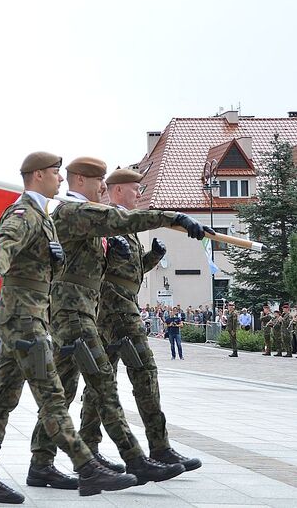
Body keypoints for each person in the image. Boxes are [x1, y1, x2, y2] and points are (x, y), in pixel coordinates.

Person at [0, 152, 137, 503]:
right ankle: (87, 467)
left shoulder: (42, 217)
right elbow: (5, 246)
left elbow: (42, 274)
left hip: (24, 318)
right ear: (38, 176)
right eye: (55, 174)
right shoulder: (23, 213)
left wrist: (55, 263)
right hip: (23, 320)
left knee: (0, 400)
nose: (60, 179)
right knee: (52, 398)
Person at [29, 157, 206, 489]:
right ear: (80, 181)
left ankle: (41, 464)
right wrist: (174, 217)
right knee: (103, 383)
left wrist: (147, 254)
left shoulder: (81, 216)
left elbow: (113, 262)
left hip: (80, 315)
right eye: (99, 181)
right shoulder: (73, 211)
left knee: (63, 391)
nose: (103, 188)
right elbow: (120, 219)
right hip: (73, 315)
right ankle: (137, 458)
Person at [79, 169, 203, 475]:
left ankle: (88, 448)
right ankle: (159, 448)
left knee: (100, 382)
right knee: (144, 374)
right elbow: (98, 270)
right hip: (118, 314)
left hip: (113, 313)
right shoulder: (107, 222)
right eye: (136, 189)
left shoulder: (124, 226)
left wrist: (153, 257)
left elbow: (128, 273)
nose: (139, 193)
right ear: (118, 190)